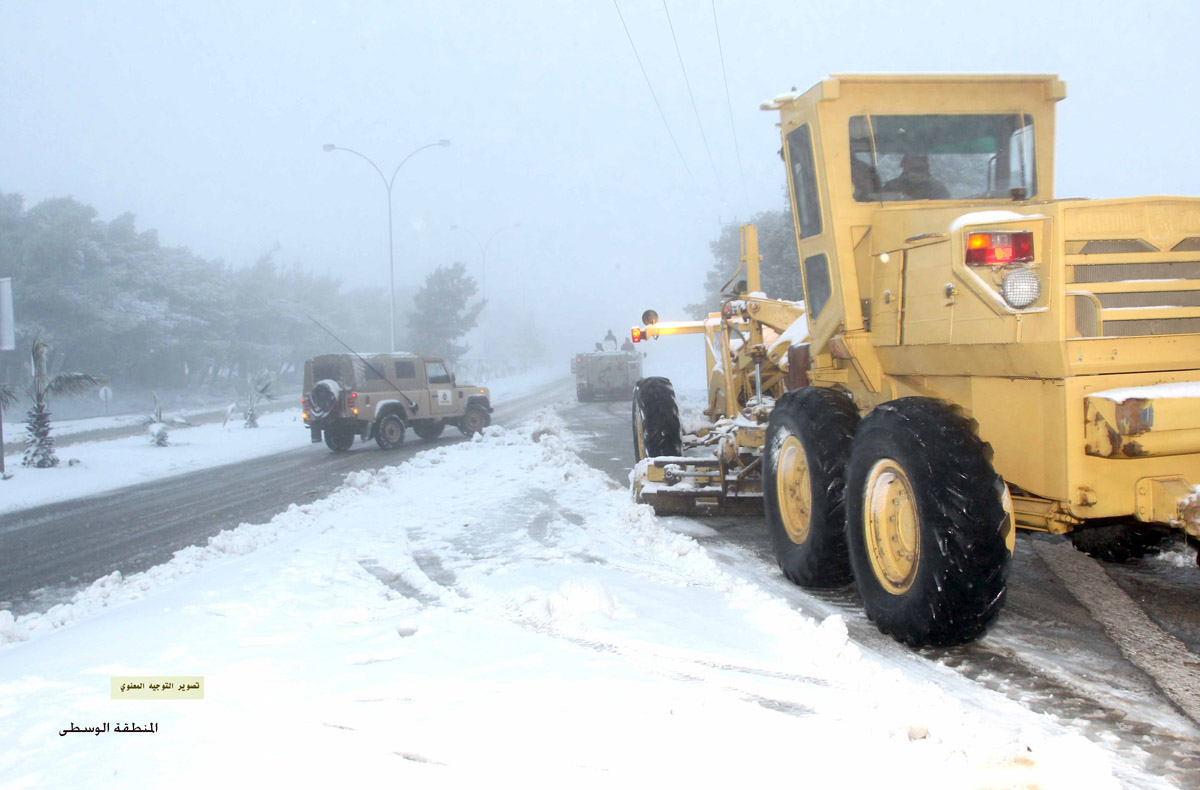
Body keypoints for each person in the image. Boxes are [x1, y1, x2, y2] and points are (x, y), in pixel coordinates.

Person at [882, 153, 949, 200]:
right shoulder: (890, 187)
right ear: (904, 165)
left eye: (919, 169)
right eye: (912, 168)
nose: (915, 174)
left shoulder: (937, 189)